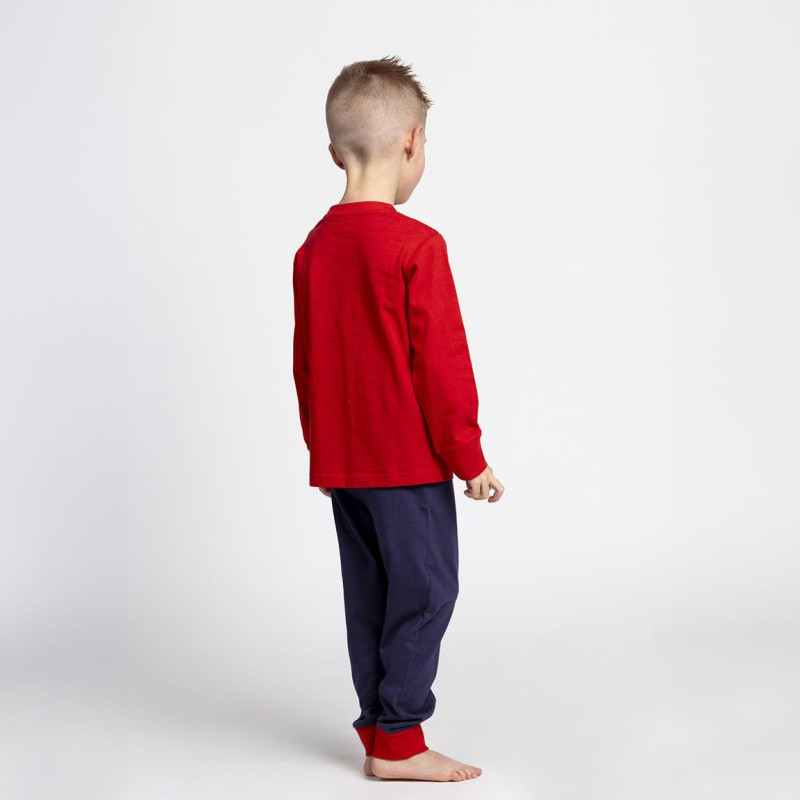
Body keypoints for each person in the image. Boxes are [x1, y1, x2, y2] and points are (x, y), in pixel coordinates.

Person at [292, 55, 505, 783]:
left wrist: (322, 451)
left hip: (345, 467)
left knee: (371, 597)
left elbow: (307, 363)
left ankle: (380, 728)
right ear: (414, 141)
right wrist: (468, 456)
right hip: (407, 465)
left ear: (335, 153)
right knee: (428, 591)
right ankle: (400, 740)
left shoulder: (314, 248)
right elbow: (441, 365)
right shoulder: (417, 245)